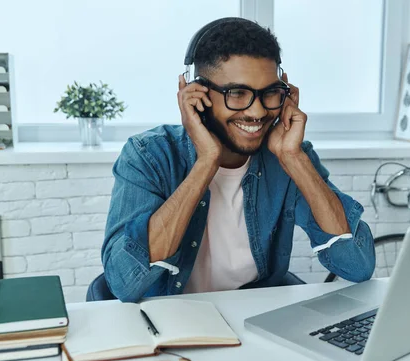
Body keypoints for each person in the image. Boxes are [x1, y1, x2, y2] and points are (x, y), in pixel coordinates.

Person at [101, 18, 375, 302]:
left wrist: (294, 158)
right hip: (168, 315)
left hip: (250, 313)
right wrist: (206, 162)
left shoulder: (288, 155)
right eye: (237, 93)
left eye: (270, 93)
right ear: (197, 94)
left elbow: (357, 266)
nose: (257, 112)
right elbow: (125, 284)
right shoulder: (149, 155)